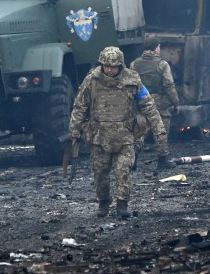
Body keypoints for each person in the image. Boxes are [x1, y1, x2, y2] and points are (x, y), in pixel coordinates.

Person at [69, 46, 166, 219]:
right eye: (106, 66)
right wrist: (74, 131)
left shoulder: (132, 79)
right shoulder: (92, 79)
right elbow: (80, 106)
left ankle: (122, 204)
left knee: (123, 171)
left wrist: (159, 129)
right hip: (100, 135)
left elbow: (148, 105)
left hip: (125, 135)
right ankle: (103, 202)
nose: (109, 70)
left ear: (120, 65)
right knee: (100, 173)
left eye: (113, 66)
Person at [129, 38, 180, 170]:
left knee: (141, 131)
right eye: (158, 46)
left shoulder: (134, 64)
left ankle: (132, 160)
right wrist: (176, 103)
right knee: (161, 130)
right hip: (160, 102)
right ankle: (162, 160)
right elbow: (168, 85)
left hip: (141, 102)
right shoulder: (162, 65)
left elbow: (130, 84)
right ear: (156, 48)